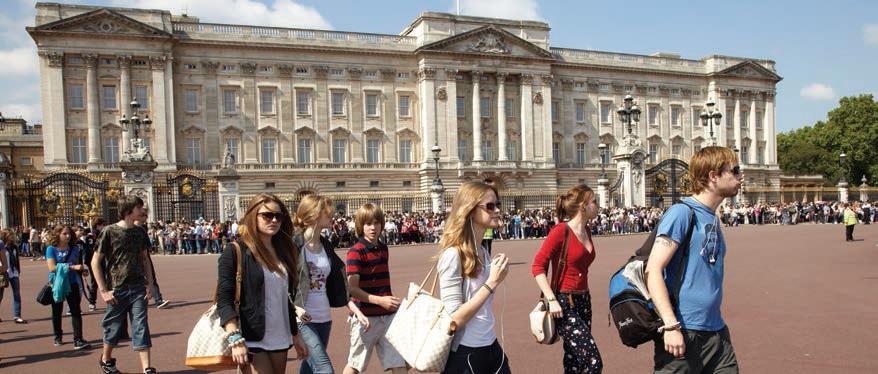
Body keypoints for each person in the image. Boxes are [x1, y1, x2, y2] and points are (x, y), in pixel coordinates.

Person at [646, 146, 742, 374]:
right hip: (684, 328)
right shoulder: (681, 213)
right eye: (735, 170)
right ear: (713, 176)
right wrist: (670, 325)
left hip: (716, 330)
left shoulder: (712, 217)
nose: (740, 176)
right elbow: (653, 269)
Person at [216, 193, 307, 374]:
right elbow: (224, 298)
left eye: (278, 216)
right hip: (251, 334)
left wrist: (296, 335)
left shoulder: (283, 251)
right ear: (253, 216)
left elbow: (284, 298)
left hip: (279, 334)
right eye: (267, 215)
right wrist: (235, 337)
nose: (273, 220)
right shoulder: (235, 250)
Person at [436, 181, 512, 373]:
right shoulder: (452, 256)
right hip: (466, 352)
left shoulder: (483, 252)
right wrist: (492, 282)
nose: (496, 210)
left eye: (497, 205)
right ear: (470, 209)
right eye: (489, 206)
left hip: (490, 346)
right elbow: (454, 319)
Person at [531, 184, 603, 373]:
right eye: (594, 201)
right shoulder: (560, 231)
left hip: (584, 299)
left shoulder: (587, 230)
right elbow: (538, 266)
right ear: (582, 206)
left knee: (574, 360)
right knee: (593, 361)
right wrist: (551, 299)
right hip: (564, 303)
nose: (598, 205)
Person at [291, 195, 360, 374]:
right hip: (302, 318)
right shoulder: (294, 245)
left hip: (323, 317)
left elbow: (339, 279)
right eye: (326, 211)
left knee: (308, 368)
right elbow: (281, 282)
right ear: (314, 214)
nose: (332, 214)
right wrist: (294, 308)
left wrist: (355, 307)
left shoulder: (326, 245)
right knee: (324, 369)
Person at [92, 195, 157, 374]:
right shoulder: (109, 231)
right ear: (129, 211)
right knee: (113, 326)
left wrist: (150, 284)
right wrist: (103, 290)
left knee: (141, 325)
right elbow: (95, 262)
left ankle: (147, 368)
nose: (142, 211)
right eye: (139, 208)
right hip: (117, 288)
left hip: (137, 287)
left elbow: (145, 260)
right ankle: (106, 358)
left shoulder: (140, 232)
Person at [342, 203, 407, 374]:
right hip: (365, 319)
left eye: (377, 223)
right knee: (355, 366)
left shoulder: (384, 249)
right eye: (368, 223)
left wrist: (388, 303)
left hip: (388, 317)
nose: (373, 228)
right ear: (360, 225)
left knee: (398, 363)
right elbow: (352, 289)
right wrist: (381, 301)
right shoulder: (355, 252)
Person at [45, 224, 91, 350]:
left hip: (72, 282)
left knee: (76, 311)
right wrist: (71, 267)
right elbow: (52, 268)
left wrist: (82, 270)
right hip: (58, 284)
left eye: (69, 234)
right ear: (57, 234)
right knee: (57, 311)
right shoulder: (51, 249)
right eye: (64, 234)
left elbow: (77, 264)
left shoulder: (74, 248)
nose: (68, 236)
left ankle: (78, 339)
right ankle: (57, 336)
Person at [0, 230, 27, 323]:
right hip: (4, 273)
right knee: (0, 295)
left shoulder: (14, 247)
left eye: (12, 235)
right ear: (5, 236)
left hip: (14, 272)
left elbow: (16, 259)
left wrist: (18, 270)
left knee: (17, 294)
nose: (12, 237)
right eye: (10, 235)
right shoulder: (2, 246)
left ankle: (17, 315)